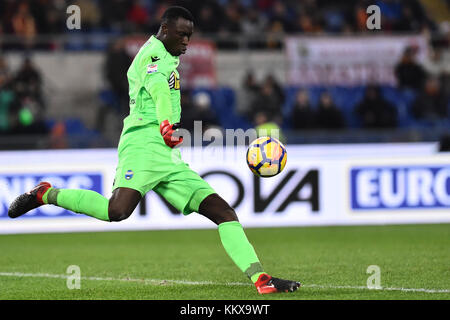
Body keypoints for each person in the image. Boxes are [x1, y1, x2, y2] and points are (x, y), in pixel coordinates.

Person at [8, 6, 300, 295]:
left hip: (167, 153)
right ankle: (46, 193)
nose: (187, 41)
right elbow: (159, 88)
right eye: (182, 35)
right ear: (165, 30)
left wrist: (168, 131)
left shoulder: (166, 56)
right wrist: (165, 125)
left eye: (190, 36)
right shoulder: (155, 57)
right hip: (145, 145)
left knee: (223, 212)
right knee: (117, 211)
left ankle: (262, 279)